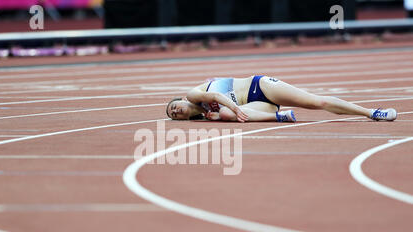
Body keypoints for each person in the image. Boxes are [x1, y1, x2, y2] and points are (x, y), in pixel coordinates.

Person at [165, 75, 397, 122]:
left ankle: (371, 112)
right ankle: (279, 116)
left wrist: (235, 109)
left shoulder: (193, 94)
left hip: (260, 86)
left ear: (181, 100)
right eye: (174, 115)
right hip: (258, 105)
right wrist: (227, 113)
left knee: (318, 102)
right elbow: (225, 111)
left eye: (174, 107)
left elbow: (216, 94)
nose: (175, 111)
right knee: (225, 114)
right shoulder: (208, 116)